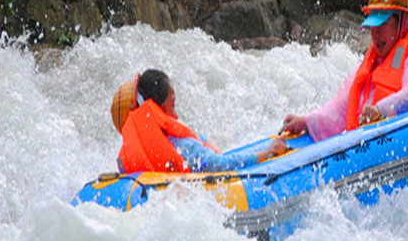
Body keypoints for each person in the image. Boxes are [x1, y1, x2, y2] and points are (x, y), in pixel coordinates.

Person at [282, 0, 408, 141]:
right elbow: (340, 108)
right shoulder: (367, 69)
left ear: (402, 22)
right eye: (373, 25)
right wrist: (307, 121)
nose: (376, 34)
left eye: (383, 24)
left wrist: (380, 110)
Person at [111, 69, 285, 174]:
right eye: (173, 104)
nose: (176, 116)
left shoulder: (127, 156)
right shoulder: (182, 145)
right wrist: (268, 152)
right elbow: (220, 165)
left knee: (203, 138)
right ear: (158, 107)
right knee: (205, 141)